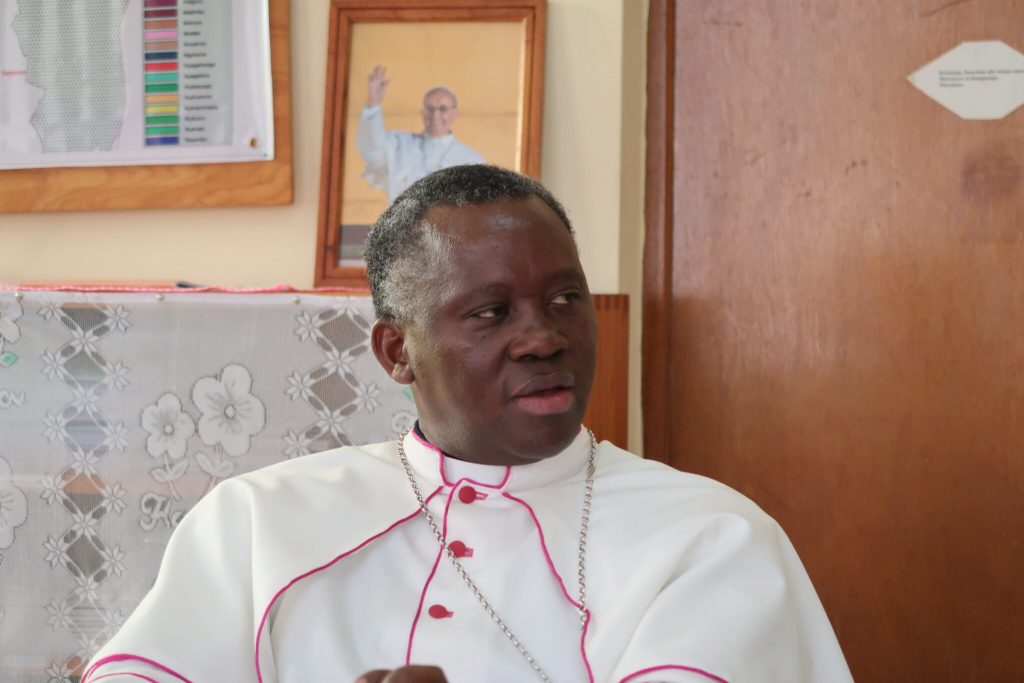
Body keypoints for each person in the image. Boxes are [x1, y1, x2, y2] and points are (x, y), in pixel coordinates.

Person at [83, 165, 853, 682]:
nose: (544, 337)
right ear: (398, 351)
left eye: (564, 299)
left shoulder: (711, 537)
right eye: (491, 312)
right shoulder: (257, 520)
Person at [356, 65, 484, 202]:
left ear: (455, 114)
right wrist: (373, 104)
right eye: (430, 108)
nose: (435, 115)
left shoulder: (471, 160)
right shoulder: (399, 144)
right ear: (422, 113)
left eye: (443, 109)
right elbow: (372, 150)